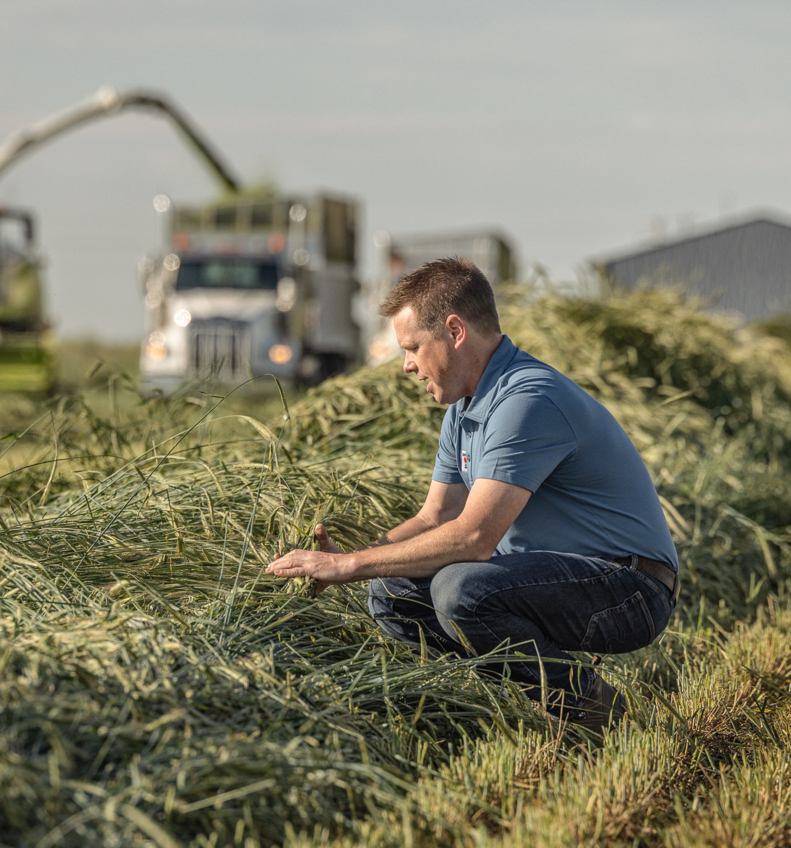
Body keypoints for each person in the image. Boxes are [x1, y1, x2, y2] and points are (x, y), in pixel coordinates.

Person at [264, 258, 679, 733]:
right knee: (392, 594)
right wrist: (356, 559)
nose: (407, 365)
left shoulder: (527, 400)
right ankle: (510, 712)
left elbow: (474, 538)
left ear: (455, 331)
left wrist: (346, 568)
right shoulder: (463, 413)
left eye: (413, 347)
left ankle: (591, 709)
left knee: (460, 590)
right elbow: (435, 517)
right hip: (556, 580)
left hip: (629, 590)